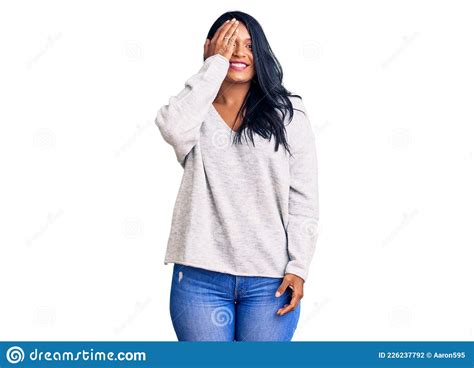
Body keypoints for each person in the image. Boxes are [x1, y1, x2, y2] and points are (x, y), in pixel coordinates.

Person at [154, 11, 319, 341]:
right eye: (229, 44)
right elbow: (171, 127)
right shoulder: (194, 111)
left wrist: (298, 267)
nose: (239, 53)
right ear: (211, 48)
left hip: (269, 281)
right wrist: (214, 67)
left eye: (248, 45)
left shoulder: (289, 114)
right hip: (199, 278)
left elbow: (303, 199)